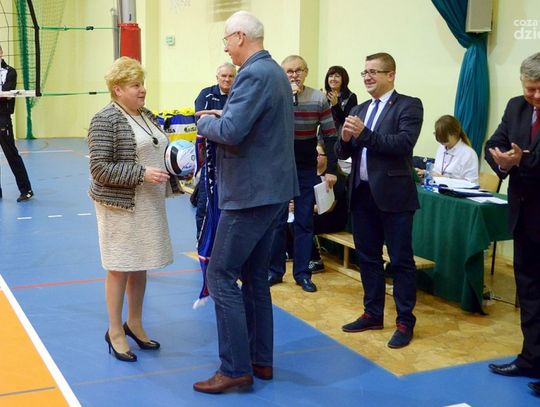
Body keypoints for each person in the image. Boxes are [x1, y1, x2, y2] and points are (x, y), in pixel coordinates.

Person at [192, 11, 298, 394]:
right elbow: (250, 124)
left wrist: (203, 122)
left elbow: (232, 130)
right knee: (254, 277)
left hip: (250, 195)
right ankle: (259, 360)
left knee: (220, 275)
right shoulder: (273, 73)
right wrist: (225, 115)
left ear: (239, 36)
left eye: (226, 40)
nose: (225, 48)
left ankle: (235, 367)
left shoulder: (253, 74)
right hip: (271, 192)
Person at [87, 56, 182, 363]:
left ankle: (135, 323)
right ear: (117, 89)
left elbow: (157, 149)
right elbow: (100, 168)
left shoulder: (145, 114)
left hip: (148, 202)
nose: (143, 90)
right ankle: (115, 330)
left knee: (141, 264)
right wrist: (141, 174)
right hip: (119, 206)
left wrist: (179, 165)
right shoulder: (105, 120)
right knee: (120, 266)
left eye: (142, 84)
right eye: (135, 85)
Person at [336, 52, 423, 349]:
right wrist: (344, 139)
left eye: (374, 71)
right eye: (365, 72)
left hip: (394, 197)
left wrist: (364, 134)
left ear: (391, 75)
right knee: (368, 258)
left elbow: (402, 144)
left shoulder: (409, 105)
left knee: (400, 261)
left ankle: (405, 321)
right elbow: (343, 152)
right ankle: (372, 313)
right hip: (362, 195)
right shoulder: (359, 108)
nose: (367, 77)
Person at [485, 52, 540, 395]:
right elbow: (495, 143)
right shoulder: (516, 106)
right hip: (523, 216)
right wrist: (502, 162)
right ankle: (531, 358)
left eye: (539, 89)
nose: (534, 95)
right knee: (529, 292)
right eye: (529, 89)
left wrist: (522, 161)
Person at [267, 55, 337, 293]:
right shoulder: (274, 96)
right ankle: (275, 271)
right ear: (282, 74)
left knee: (304, 221)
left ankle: (302, 273)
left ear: (306, 72)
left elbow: (330, 134)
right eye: (289, 71)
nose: (294, 75)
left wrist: (330, 169)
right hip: (278, 167)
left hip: (306, 167)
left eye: (298, 70)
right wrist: (287, 99)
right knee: (277, 221)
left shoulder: (318, 98)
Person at [193, 62, 236, 236]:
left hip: (235, 160)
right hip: (210, 159)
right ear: (217, 77)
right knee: (205, 204)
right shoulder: (206, 94)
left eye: (231, 76)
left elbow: (240, 124)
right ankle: (202, 241)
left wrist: (216, 115)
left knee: (231, 206)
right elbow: (201, 122)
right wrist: (225, 118)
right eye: (224, 76)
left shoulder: (240, 94)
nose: (227, 79)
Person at [0, 45, 33, 202]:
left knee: (12, 155)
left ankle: (26, 190)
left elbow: (6, 92)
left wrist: (4, 96)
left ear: (1, 53)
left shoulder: (10, 71)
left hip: (2, 118)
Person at [418, 115, 478, 184]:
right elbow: (437, 172)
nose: (442, 143)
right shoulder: (441, 148)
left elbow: (472, 184)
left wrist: (444, 179)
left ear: (455, 133)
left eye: (444, 139)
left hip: (455, 190)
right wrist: (425, 173)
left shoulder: (469, 154)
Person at [324, 65, 358, 130]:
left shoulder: (351, 97)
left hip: (340, 135)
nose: (333, 79)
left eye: (337, 76)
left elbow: (348, 123)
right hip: (324, 134)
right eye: (330, 76)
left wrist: (335, 105)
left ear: (343, 79)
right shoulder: (325, 96)